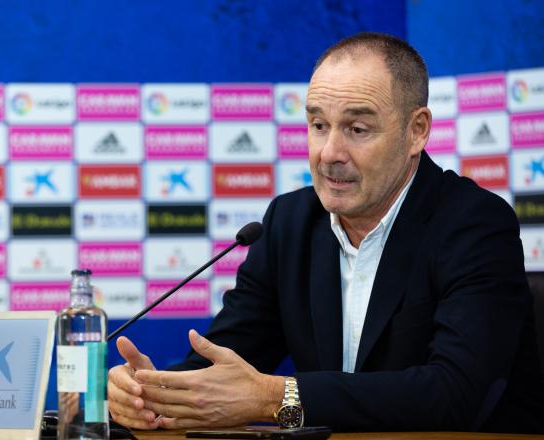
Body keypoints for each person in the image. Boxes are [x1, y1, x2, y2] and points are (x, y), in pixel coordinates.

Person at [107, 32, 544, 433]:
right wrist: (152, 393)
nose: (330, 153)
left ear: (417, 131)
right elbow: (226, 363)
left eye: (357, 129)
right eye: (318, 125)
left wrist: (277, 398)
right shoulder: (290, 222)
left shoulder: (475, 225)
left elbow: (454, 395)